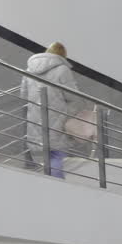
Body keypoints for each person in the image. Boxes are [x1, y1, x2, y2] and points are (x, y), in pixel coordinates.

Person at [21, 41, 80, 179]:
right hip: (57, 119)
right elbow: (73, 97)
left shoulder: (29, 70)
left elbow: (23, 95)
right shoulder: (62, 70)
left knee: (44, 156)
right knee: (56, 155)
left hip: (35, 119)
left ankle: (49, 183)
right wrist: (69, 113)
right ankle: (57, 184)